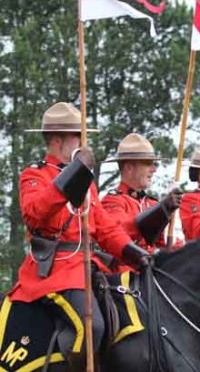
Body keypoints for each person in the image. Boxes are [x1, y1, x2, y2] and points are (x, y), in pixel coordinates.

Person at [8, 102, 148, 367]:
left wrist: (133, 253)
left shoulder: (88, 185)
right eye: (78, 136)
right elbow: (35, 213)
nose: (83, 142)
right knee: (90, 327)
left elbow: (105, 228)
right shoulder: (34, 175)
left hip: (89, 267)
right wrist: (71, 177)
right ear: (58, 140)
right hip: (55, 272)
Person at [101, 133, 183, 253]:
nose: (154, 170)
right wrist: (161, 210)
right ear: (129, 167)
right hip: (126, 268)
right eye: (147, 164)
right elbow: (120, 231)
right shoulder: (112, 201)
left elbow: (163, 243)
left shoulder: (152, 203)